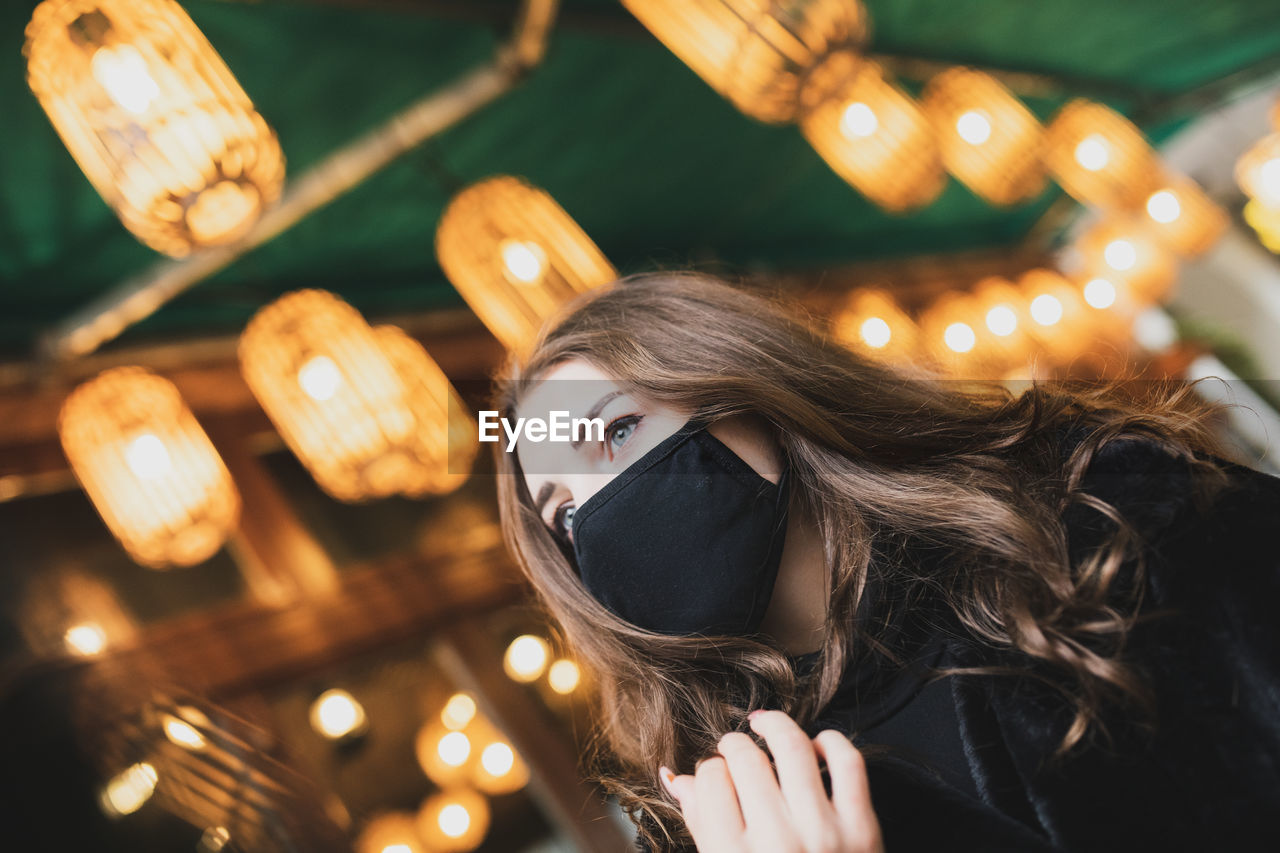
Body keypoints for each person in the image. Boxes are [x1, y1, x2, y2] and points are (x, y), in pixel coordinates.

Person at [490, 270, 1280, 852]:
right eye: (562, 511)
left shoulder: (1105, 521)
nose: (595, 511)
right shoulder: (725, 812)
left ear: (747, 389)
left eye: (617, 432)